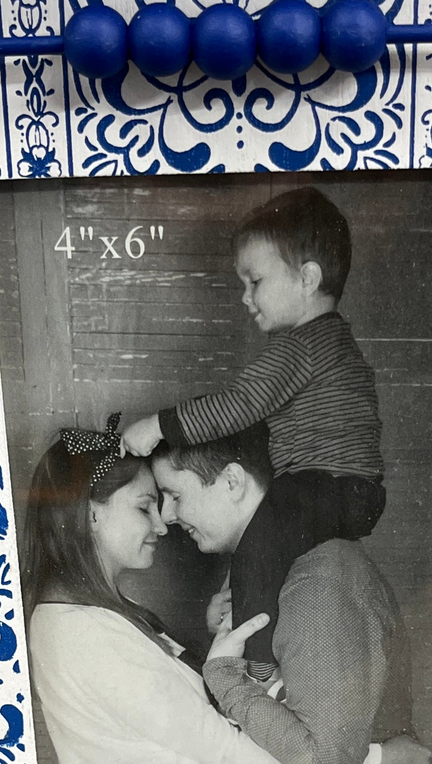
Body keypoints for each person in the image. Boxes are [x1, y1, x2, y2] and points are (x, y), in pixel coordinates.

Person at [21, 417, 430, 764]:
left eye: (172, 498)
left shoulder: (100, 615)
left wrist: (218, 649)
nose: (163, 523)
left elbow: (182, 708)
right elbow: (212, 736)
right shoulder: (80, 630)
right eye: (146, 507)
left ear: (233, 482)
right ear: (91, 514)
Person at [121, 187, 384, 672]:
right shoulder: (334, 342)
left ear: (307, 279)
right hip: (351, 491)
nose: (246, 297)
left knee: (260, 547)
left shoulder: (299, 347)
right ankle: (249, 630)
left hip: (326, 485)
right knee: (264, 548)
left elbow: (237, 405)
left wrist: (158, 427)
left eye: (255, 281)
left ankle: (258, 669)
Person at [152, 428, 432, 764]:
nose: (167, 516)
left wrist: (225, 676)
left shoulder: (317, 583)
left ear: (232, 481)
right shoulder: (277, 573)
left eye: (175, 495)